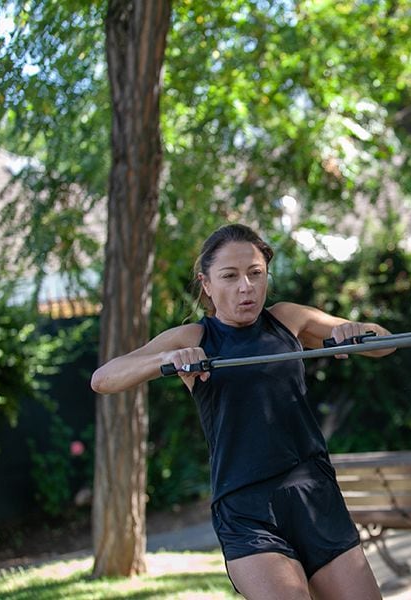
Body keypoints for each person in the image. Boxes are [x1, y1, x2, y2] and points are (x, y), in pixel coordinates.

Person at [91, 223, 393, 600]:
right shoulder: (194, 339)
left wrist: (357, 330)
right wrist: (166, 359)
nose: (245, 287)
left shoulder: (287, 318)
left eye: (255, 274)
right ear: (207, 284)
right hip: (246, 508)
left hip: (314, 493)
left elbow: (384, 344)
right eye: (230, 276)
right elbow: (103, 379)